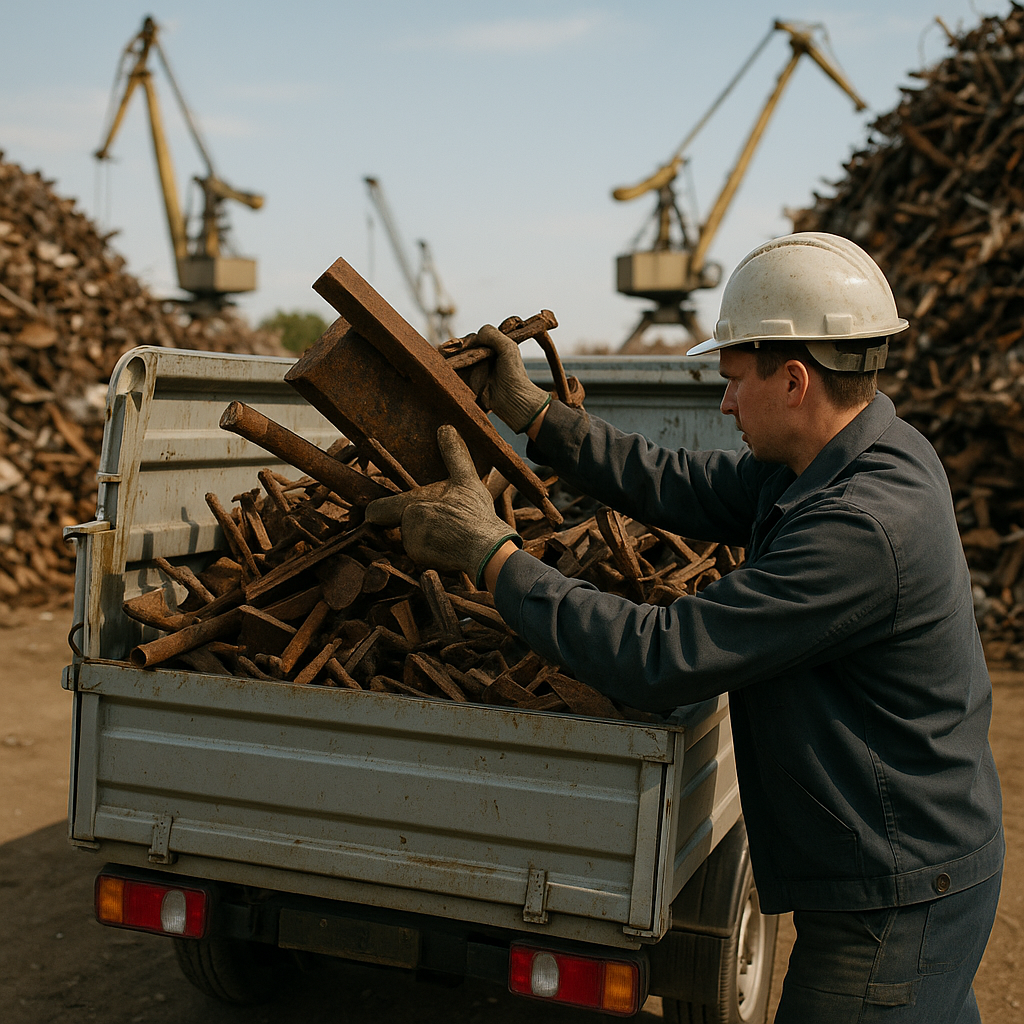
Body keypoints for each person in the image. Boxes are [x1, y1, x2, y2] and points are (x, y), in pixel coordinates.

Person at [366, 232, 1004, 1023]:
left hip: (898, 893)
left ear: (796, 380)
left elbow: (660, 655)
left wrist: (492, 556)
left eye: (734, 380)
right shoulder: (851, 455)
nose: (726, 402)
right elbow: (682, 484)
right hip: (907, 868)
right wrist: (536, 415)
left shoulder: (862, 527)